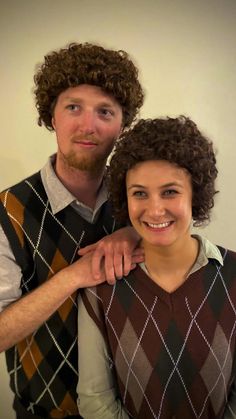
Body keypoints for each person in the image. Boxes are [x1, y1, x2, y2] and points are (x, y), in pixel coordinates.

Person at [0, 42, 144, 418]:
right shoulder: (8, 211)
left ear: (122, 124)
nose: (88, 125)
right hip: (42, 411)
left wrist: (135, 232)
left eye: (105, 111)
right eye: (74, 107)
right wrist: (75, 276)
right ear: (52, 114)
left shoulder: (142, 201)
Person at [78, 116, 236, 418]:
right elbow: (94, 399)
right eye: (140, 193)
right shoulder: (100, 288)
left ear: (196, 195)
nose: (154, 209)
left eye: (170, 191)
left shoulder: (233, 275)